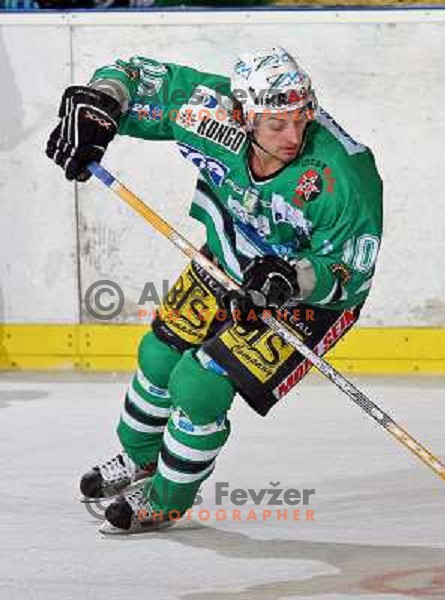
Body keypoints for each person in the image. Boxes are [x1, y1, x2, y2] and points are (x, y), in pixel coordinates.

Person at [46, 47, 383, 534]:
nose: (293, 136)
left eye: (300, 120)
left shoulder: (343, 175)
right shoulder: (210, 113)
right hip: (231, 253)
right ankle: (142, 459)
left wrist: (293, 280)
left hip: (307, 295)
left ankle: (167, 498)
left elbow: (352, 270)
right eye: (276, 125)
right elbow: (135, 77)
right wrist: (101, 102)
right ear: (244, 116)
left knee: (199, 385)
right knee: (160, 355)